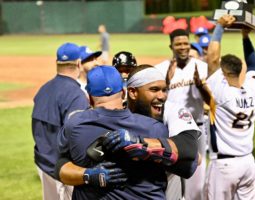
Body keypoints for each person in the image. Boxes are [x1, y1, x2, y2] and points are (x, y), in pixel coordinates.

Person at [56, 65, 200, 199]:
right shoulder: (155, 127)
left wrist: (87, 175)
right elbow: (191, 164)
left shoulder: (74, 124)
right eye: (155, 89)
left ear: (89, 97)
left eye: (163, 90)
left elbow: (59, 167)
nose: (161, 96)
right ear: (126, 92)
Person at [204, 15, 255, 199]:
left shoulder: (223, 94)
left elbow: (212, 59)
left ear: (224, 72)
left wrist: (220, 27)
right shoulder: (254, 89)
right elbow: (254, 65)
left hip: (225, 167)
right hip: (248, 163)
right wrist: (245, 36)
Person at [32, 42, 90, 200]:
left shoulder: (43, 90)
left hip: (43, 165)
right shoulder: (76, 95)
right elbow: (78, 137)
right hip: (63, 170)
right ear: (79, 63)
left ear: (57, 63)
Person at [155, 28, 208, 200]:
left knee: (198, 176)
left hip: (197, 127)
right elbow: (155, 100)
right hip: (170, 130)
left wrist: (201, 86)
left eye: (186, 43)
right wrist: (167, 83)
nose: (183, 47)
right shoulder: (161, 69)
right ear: (171, 46)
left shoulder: (201, 66)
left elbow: (211, 100)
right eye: (178, 44)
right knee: (172, 176)